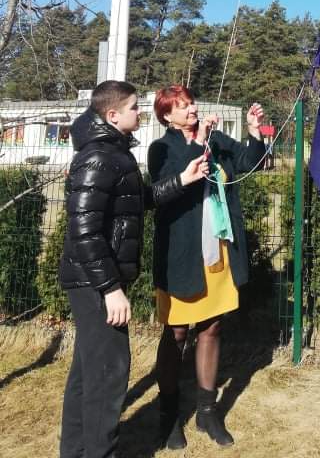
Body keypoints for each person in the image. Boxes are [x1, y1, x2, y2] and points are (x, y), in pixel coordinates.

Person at [59, 80, 208, 458]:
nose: (139, 112)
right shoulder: (98, 157)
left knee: (88, 374)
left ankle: (75, 452)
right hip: (95, 283)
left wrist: (182, 179)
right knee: (108, 377)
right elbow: (84, 231)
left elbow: (140, 200)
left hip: (95, 279)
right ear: (112, 115)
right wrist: (110, 289)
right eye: (133, 108)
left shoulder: (116, 153)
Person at [148, 86, 265, 449]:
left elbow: (249, 163)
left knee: (212, 328)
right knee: (177, 333)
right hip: (182, 256)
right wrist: (197, 146)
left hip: (218, 252)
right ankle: (169, 414)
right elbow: (162, 192)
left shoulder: (214, 139)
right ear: (167, 116)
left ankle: (206, 411)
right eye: (182, 107)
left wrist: (253, 132)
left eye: (191, 103)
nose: (191, 109)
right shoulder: (162, 148)